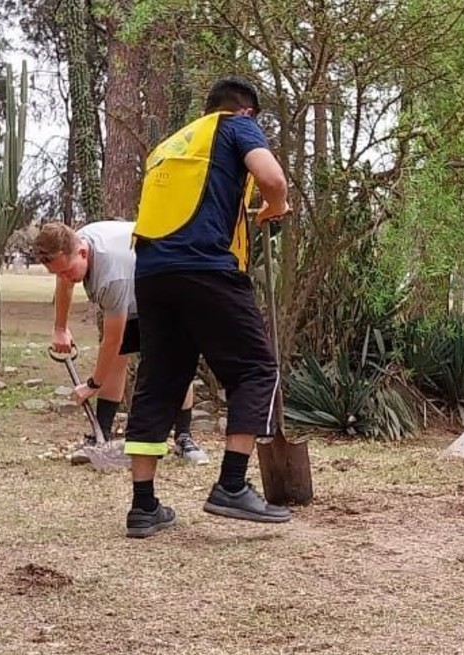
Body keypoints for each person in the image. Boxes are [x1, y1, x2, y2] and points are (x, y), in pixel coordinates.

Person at [123, 77, 291, 538]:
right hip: (206, 267)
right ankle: (232, 485)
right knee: (256, 370)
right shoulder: (236, 126)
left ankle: (143, 507)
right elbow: (272, 178)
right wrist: (275, 205)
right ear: (247, 112)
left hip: (153, 272)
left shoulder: (169, 146)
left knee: (159, 384)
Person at [33, 219, 210, 466]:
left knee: (173, 363)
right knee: (117, 362)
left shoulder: (111, 279)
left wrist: (92, 385)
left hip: (172, 285)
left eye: (67, 271)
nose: (64, 278)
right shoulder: (75, 241)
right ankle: (101, 435)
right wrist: (60, 328)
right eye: (58, 272)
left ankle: (184, 437)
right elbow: (65, 283)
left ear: (83, 253)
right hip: (138, 281)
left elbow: (112, 340)